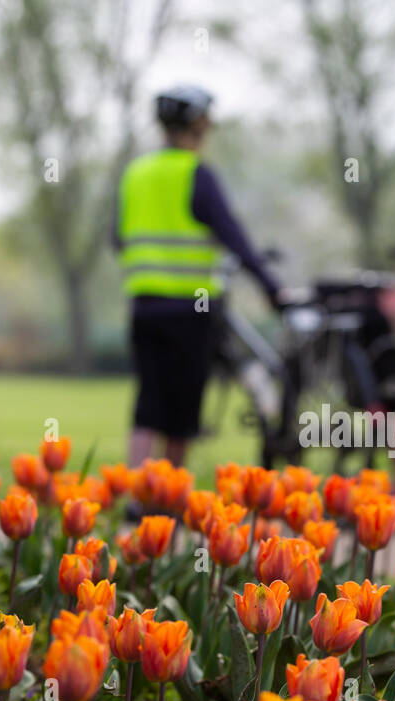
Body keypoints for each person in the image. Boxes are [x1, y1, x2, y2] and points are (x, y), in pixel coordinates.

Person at [114, 84, 282, 470]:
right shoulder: (195, 173)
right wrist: (270, 286)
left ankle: (136, 491)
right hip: (191, 308)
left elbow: (118, 237)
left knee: (148, 403)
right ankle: (166, 494)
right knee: (182, 408)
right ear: (198, 125)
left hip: (144, 305)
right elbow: (233, 235)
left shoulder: (135, 173)